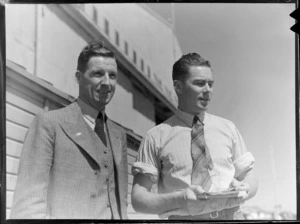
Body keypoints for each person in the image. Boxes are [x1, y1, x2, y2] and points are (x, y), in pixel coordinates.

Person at [131, 53, 258, 220]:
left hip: (232, 217)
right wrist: (181, 199)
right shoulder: (156, 136)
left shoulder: (228, 128)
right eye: (199, 83)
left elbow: (250, 178)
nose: (207, 90)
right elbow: (138, 199)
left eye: (210, 84)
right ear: (178, 87)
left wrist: (243, 189)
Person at [10, 40, 128, 219]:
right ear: (79, 77)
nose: (106, 83)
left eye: (112, 76)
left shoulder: (119, 136)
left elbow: (121, 206)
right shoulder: (49, 123)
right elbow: (28, 206)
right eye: (97, 74)